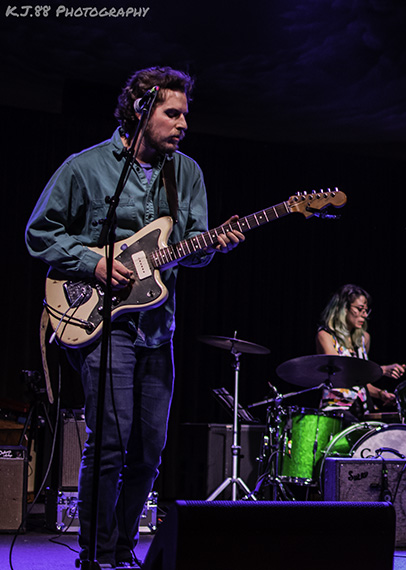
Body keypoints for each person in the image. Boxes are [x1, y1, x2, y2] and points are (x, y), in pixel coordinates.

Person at [24, 66, 245, 567]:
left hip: (156, 326)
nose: (183, 123)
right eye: (172, 112)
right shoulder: (85, 168)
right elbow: (39, 234)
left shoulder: (186, 173)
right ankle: (97, 554)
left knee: (149, 448)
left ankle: (124, 548)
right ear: (141, 110)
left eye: (186, 114)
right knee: (111, 442)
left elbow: (193, 250)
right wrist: (94, 262)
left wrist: (215, 243)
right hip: (102, 324)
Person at [316, 284, 404, 413]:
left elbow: (360, 382)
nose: (364, 315)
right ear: (343, 308)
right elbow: (340, 374)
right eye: (360, 309)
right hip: (337, 409)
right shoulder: (326, 336)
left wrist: (380, 394)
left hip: (362, 409)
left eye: (366, 310)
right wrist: (381, 370)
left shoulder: (364, 339)